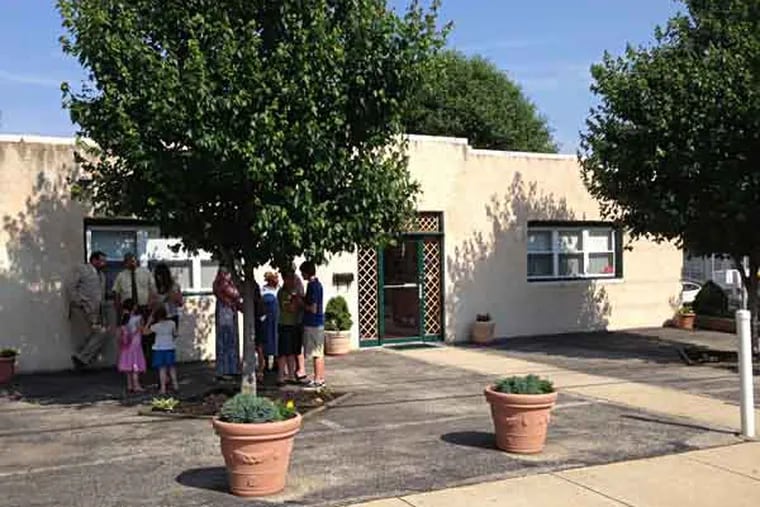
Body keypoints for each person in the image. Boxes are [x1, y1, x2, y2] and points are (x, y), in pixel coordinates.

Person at [113, 253, 157, 364]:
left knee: (146, 334)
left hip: (144, 307)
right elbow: (117, 293)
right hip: (128, 309)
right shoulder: (121, 276)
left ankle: (147, 360)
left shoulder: (145, 272)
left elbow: (152, 289)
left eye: (133, 260)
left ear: (136, 260)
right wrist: (118, 309)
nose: (131, 263)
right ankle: (131, 361)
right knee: (129, 335)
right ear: (125, 262)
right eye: (128, 261)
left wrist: (151, 304)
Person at [68, 251, 108, 369]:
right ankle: (82, 359)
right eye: (102, 261)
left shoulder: (102, 276)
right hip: (83, 310)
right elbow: (71, 286)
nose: (104, 263)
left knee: (101, 333)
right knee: (85, 336)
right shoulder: (82, 270)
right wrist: (78, 301)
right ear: (94, 260)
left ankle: (81, 358)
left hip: (97, 311)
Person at [277, 268, 305, 385]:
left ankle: (291, 375)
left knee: (293, 351)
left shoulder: (294, 291)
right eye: (290, 278)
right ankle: (281, 376)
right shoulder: (283, 293)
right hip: (285, 324)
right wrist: (296, 299)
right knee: (283, 351)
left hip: (294, 324)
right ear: (284, 279)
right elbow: (291, 308)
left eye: (293, 278)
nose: (292, 281)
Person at [212, 266, 242, 379]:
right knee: (226, 340)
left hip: (228, 313)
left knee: (229, 340)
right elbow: (235, 293)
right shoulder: (222, 284)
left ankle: (230, 368)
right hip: (225, 314)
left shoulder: (219, 284)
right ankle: (226, 369)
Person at [300, 261, 325, 388]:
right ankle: (320, 378)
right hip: (318, 322)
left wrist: (301, 303)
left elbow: (313, 308)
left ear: (306, 272)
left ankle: (317, 379)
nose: (301, 275)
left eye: (302, 272)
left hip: (313, 323)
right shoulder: (318, 284)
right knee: (318, 352)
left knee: (316, 353)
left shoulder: (312, 286)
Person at [145, 306, 178, 394]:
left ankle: (163, 388)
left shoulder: (156, 326)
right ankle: (175, 385)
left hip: (159, 349)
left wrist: (148, 322)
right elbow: (175, 334)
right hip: (170, 347)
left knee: (162, 369)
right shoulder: (172, 323)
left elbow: (145, 332)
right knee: (171, 368)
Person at [117, 298, 146, 393]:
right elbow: (142, 329)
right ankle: (136, 385)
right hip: (136, 342)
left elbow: (121, 330)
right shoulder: (138, 318)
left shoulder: (124, 318)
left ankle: (129, 386)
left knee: (128, 366)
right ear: (133, 307)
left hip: (126, 344)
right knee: (135, 365)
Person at [259, 272, 280, 376]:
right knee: (266, 340)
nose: (276, 281)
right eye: (274, 279)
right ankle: (266, 364)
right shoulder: (263, 290)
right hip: (266, 319)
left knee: (276, 339)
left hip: (277, 318)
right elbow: (260, 304)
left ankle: (277, 362)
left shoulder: (278, 290)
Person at [154, 263, 184, 329]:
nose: (159, 278)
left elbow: (180, 303)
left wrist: (173, 297)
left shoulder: (175, 286)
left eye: (161, 275)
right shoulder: (155, 287)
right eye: (157, 275)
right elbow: (152, 303)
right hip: (159, 317)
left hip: (172, 316)